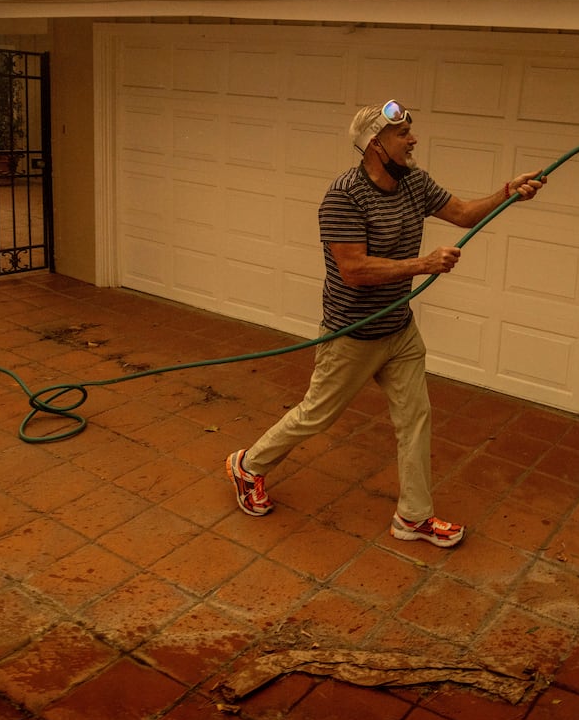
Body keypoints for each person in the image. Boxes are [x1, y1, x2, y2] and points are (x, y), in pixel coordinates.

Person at [226, 99, 545, 547]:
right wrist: (424, 263)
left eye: (410, 131)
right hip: (353, 332)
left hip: (399, 329)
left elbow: (464, 213)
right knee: (317, 415)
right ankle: (249, 465)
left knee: (415, 418)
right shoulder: (343, 196)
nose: (413, 140)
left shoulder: (414, 182)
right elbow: (353, 270)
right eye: (402, 134)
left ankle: (413, 518)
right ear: (375, 145)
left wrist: (509, 191)